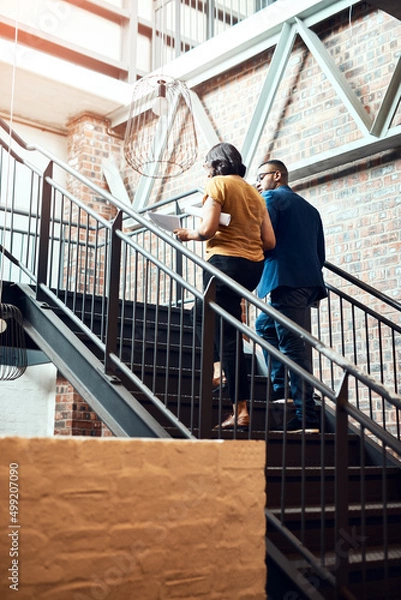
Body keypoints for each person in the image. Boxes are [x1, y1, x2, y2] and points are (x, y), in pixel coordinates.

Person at [174, 143, 276, 429]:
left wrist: (187, 234)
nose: (205, 171)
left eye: (206, 165)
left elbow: (206, 230)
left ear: (215, 164)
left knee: (222, 332)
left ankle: (230, 390)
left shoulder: (217, 184)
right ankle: (226, 383)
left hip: (223, 264)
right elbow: (269, 242)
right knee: (203, 316)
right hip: (252, 268)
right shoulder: (256, 194)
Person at [255, 159, 327, 433]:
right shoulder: (311, 209)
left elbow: (265, 237)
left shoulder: (271, 197)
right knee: (263, 326)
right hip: (307, 281)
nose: (258, 184)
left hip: (285, 279)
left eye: (261, 177)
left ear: (277, 175)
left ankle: (306, 415)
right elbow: (320, 253)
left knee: (292, 346)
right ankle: (281, 388)